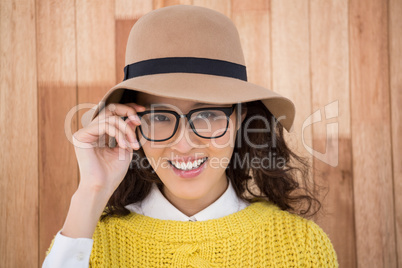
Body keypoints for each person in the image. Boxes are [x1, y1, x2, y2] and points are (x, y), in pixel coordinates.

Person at [42, 4, 338, 267]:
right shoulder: (88, 243)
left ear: (240, 119)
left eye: (208, 114)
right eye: (159, 116)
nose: (183, 144)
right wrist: (90, 191)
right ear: (130, 123)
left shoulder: (302, 246)